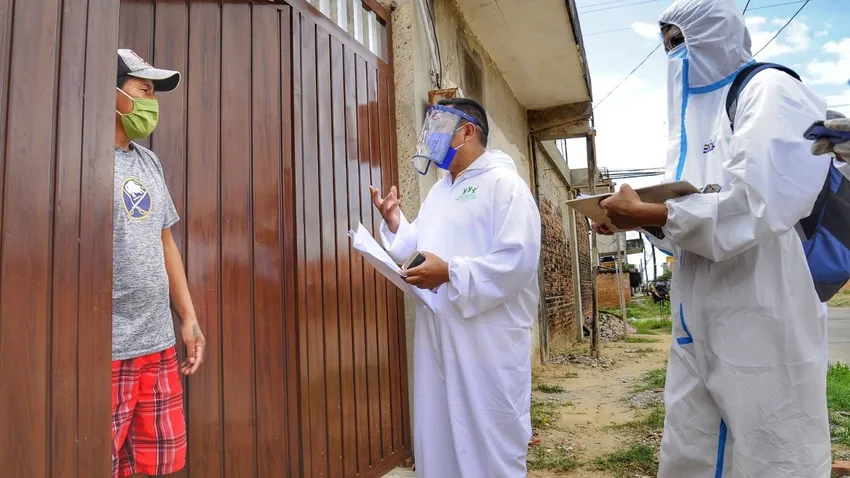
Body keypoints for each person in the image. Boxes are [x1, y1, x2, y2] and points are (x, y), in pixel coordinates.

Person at [594, 1, 833, 475]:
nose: (673, 55)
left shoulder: (769, 89)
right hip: (695, 312)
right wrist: (643, 220)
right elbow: (686, 222)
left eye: (679, 41)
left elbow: (759, 202)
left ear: (715, 34)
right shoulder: (690, 121)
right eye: (666, 45)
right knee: (692, 444)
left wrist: (658, 212)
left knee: (773, 443)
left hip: (760, 303)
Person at [369, 98, 541, 477]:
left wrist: (450, 273)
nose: (432, 136)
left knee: (487, 446)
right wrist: (397, 225)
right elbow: (421, 250)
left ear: (468, 131)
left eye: (440, 127)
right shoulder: (440, 192)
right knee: (439, 437)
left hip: (485, 344)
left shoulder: (505, 187)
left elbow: (518, 263)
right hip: (437, 337)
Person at [112, 49, 205, 478]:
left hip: (157, 342)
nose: (152, 101)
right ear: (112, 93)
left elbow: (166, 243)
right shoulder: (83, 159)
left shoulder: (149, 162)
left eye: (154, 92)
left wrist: (188, 319)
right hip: (109, 348)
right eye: (143, 89)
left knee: (155, 465)